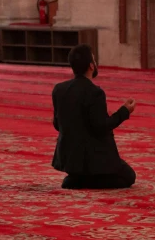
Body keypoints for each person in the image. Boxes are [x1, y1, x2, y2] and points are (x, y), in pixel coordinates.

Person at [51, 44, 136, 189]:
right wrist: (125, 111)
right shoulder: (95, 92)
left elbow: (57, 125)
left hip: (70, 159)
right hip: (94, 159)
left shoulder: (59, 89)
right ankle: (84, 181)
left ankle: (76, 179)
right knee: (128, 177)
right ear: (91, 66)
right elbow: (101, 127)